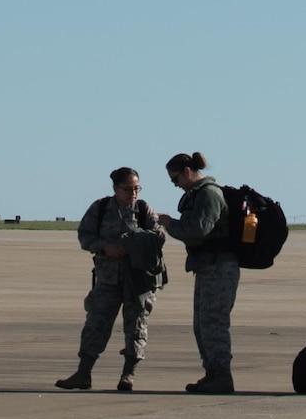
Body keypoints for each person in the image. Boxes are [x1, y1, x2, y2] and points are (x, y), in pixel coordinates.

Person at [57, 167, 166, 392]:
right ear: (115, 188)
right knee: (95, 325)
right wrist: (106, 248)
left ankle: (128, 374)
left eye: (136, 188)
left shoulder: (144, 210)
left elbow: (158, 238)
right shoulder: (100, 209)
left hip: (138, 282)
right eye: (128, 189)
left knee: (136, 327)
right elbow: (84, 236)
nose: (133, 193)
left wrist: (135, 244)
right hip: (108, 280)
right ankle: (83, 372)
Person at [161, 151, 236, 394]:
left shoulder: (209, 194)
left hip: (219, 267)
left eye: (176, 179)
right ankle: (213, 373)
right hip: (207, 266)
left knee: (213, 323)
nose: (176, 185)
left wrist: (170, 223)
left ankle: (221, 376)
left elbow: (199, 229)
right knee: (202, 324)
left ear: (187, 172)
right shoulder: (199, 195)